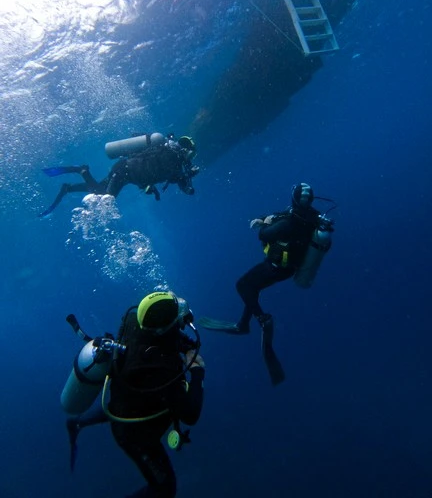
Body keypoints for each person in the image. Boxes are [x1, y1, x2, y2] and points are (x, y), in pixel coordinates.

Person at [64, 291, 205, 498]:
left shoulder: (132, 319)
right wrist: (198, 373)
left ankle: (77, 423)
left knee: (121, 406)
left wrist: (182, 342)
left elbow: (163, 334)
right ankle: (78, 423)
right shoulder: (160, 370)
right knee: (165, 489)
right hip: (135, 435)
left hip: (124, 398)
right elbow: (190, 415)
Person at [200, 183, 333, 385]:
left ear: (294, 198)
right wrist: (265, 218)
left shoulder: (289, 223)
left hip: (275, 267)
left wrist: (263, 224)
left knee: (243, 285)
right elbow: (281, 215)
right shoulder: (312, 217)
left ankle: (263, 320)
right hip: (289, 268)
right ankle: (243, 324)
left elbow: (264, 235)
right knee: (253, 288)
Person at [39, 133, 199, 217]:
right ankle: (81, 171)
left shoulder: (173, 161)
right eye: (191, 155)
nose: (190, 160)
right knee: (105, 197)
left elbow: (165, 177)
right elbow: (172, 176)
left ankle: (68, 187)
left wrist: (187, 179)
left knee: (99, 189)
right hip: (124, 171)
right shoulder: (171, 157)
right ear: (185, 150)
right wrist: (187, 176)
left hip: (126, 172)